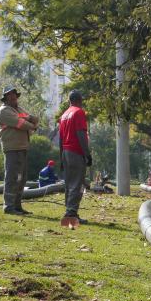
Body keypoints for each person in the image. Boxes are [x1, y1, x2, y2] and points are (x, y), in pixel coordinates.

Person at [0, 87, 38, 215]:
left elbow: (34, 118)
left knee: (21, 178)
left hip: (23, 147)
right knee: (12, 178)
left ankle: (17, 206)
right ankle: (8, 206)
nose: (13, 97)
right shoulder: (4, 111)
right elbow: (21, 123)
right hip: (12, 149)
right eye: (10, 95)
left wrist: (31, 120)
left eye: (14, 94)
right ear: (5, 97)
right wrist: (32, 125)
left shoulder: (18, 110)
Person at [58, 90, 91, 224]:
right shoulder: (79, 112)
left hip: (65, 152)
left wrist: (61, 157)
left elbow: (60, 139)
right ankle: (71, 213)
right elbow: (81, 134)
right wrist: (87, 154)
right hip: (76, 152)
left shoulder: (64, 115)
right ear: (80, 100)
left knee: (69, 183)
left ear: (69, 100)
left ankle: (69, 210)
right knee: (77, 183)